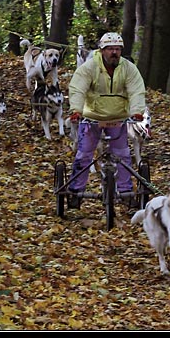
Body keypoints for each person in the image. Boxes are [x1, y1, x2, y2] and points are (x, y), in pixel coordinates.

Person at [67, 32, 147, 210]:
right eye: (110, 49)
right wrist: (76, 110)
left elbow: (136, 90)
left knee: (123, 155)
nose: (114, 52)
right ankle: (75, 192)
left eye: (117, 49)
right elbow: (78, 88)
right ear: (102, 50)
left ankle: (126, 192)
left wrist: (136, 112)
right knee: (85, 155)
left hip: (118, 118)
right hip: (91, 118)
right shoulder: (89, 67)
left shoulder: (128, 68)